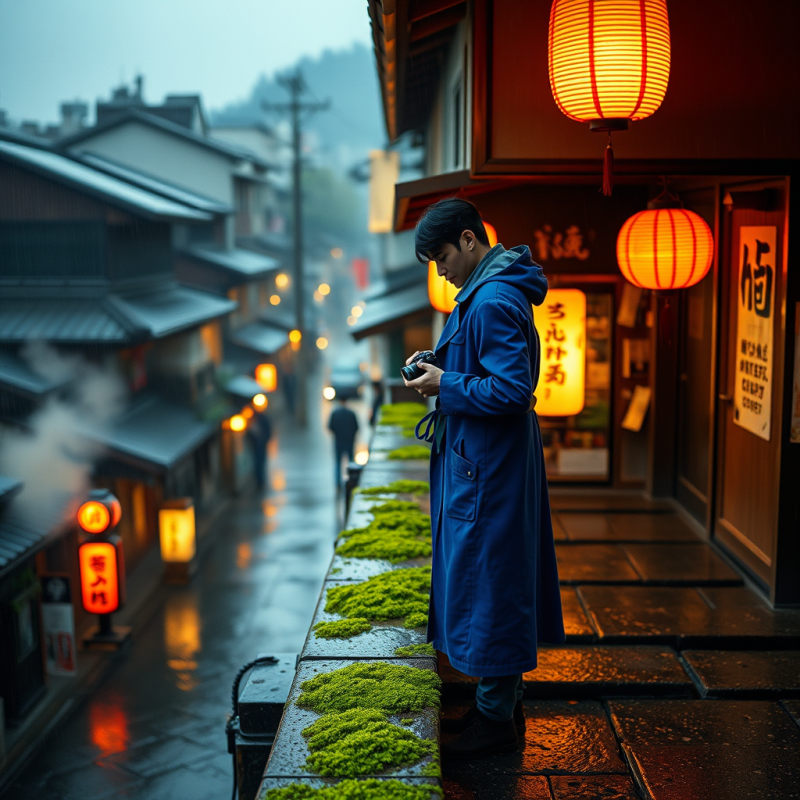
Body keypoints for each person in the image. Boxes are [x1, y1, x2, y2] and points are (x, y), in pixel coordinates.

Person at [403, 198, 564, 760]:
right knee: (496, 580)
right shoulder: (490, 291)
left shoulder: (492, 298)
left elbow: (514, 391)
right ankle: (498, 705)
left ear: (469, 241)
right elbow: (488, 372)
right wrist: (443, 365)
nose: (441, 270)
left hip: (489, 468)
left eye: (442, 257)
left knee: (492, 585)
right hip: (490, 461)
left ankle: (494, 720)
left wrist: (444, 384)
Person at [327, 396, 359, 490]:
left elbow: (330, 427)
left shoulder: (335, 413)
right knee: (351, 462)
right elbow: (356, 427)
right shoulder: (351, 413)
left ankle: (338, 483)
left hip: (338, 441)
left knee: (337, 463)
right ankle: (351, 480)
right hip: (349, 441)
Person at [247, 407, 273, 493]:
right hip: (256, 445)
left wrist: (265, 440)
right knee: (258, 464)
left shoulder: (261, 418)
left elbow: (268, 430)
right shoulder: (249, 421)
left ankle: (261, 481)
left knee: (261, 462)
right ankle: (259, 481)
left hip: (261, 444)